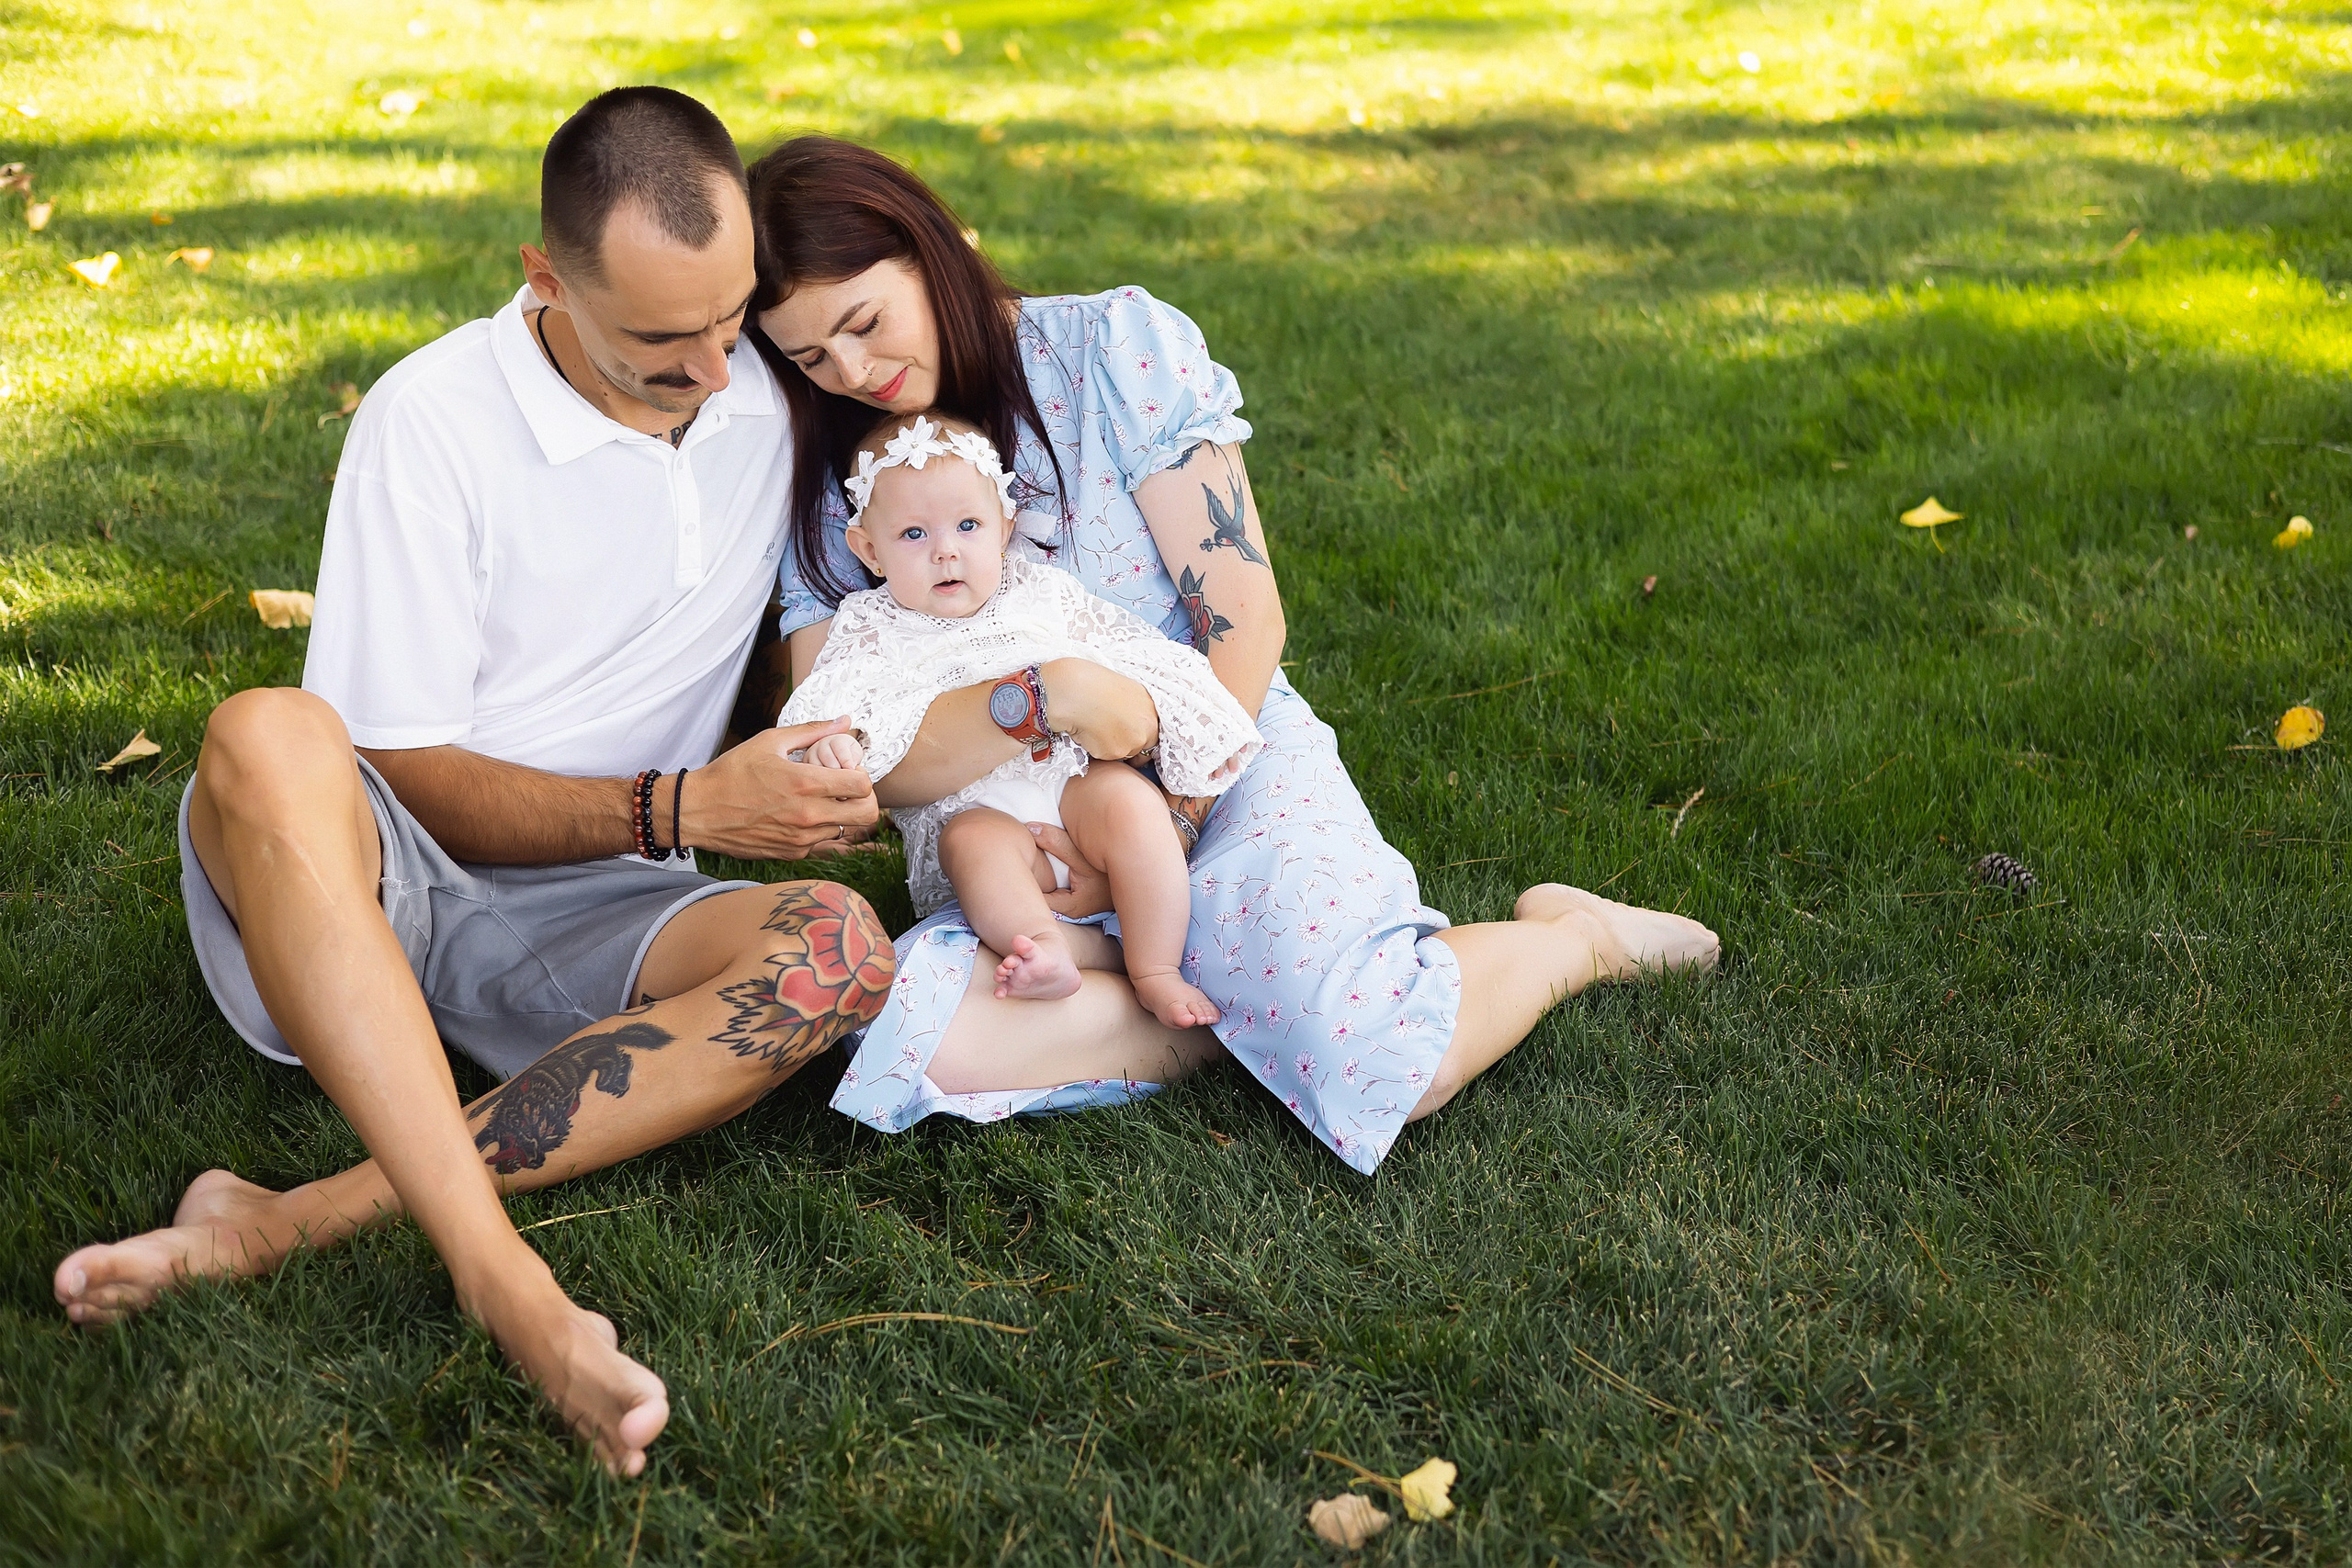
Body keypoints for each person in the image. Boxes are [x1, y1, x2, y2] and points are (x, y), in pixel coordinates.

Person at [50, 89, 893, 1478]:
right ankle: (505, 1280)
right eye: (660, 341)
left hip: (608, 910)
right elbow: (401, 765)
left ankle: (278, 1221)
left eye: (734, 315)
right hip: (372, 879)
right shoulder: (432, 419)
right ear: (546, 279)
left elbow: (972, 354)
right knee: (268, 731)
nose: (714, 366)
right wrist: (683, 807)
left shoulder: (767, 385)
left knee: (836, 950)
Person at [748, 136, 1723, 1165]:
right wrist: (1039, 699)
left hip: (1220, 753)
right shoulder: (837, 479)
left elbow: (1243, 619)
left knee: (1384, 1065)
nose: (853, 373)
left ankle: (1569, 940)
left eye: (864, 323)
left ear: (931, 247)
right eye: (809, 358)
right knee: (903, 1024)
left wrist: (1164, 826)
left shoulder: (1111, 347)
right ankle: (1252, 1012)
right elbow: (844, 764)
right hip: (1015, 856)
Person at [783, 411, 1260, 1027]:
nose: (946, 550)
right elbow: (831, 710)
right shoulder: (871, 629)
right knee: (972, 844)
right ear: (869, 550)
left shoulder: (1041, 593)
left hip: (1072, 782)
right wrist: (837, 746)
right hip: (972, 810)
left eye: (968, 525)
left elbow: (1127, 650)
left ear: (1005, 526)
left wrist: (1190, 712)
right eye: (913, 535)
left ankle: (1156, 968)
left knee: (1133, 807)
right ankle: (1045, 946)